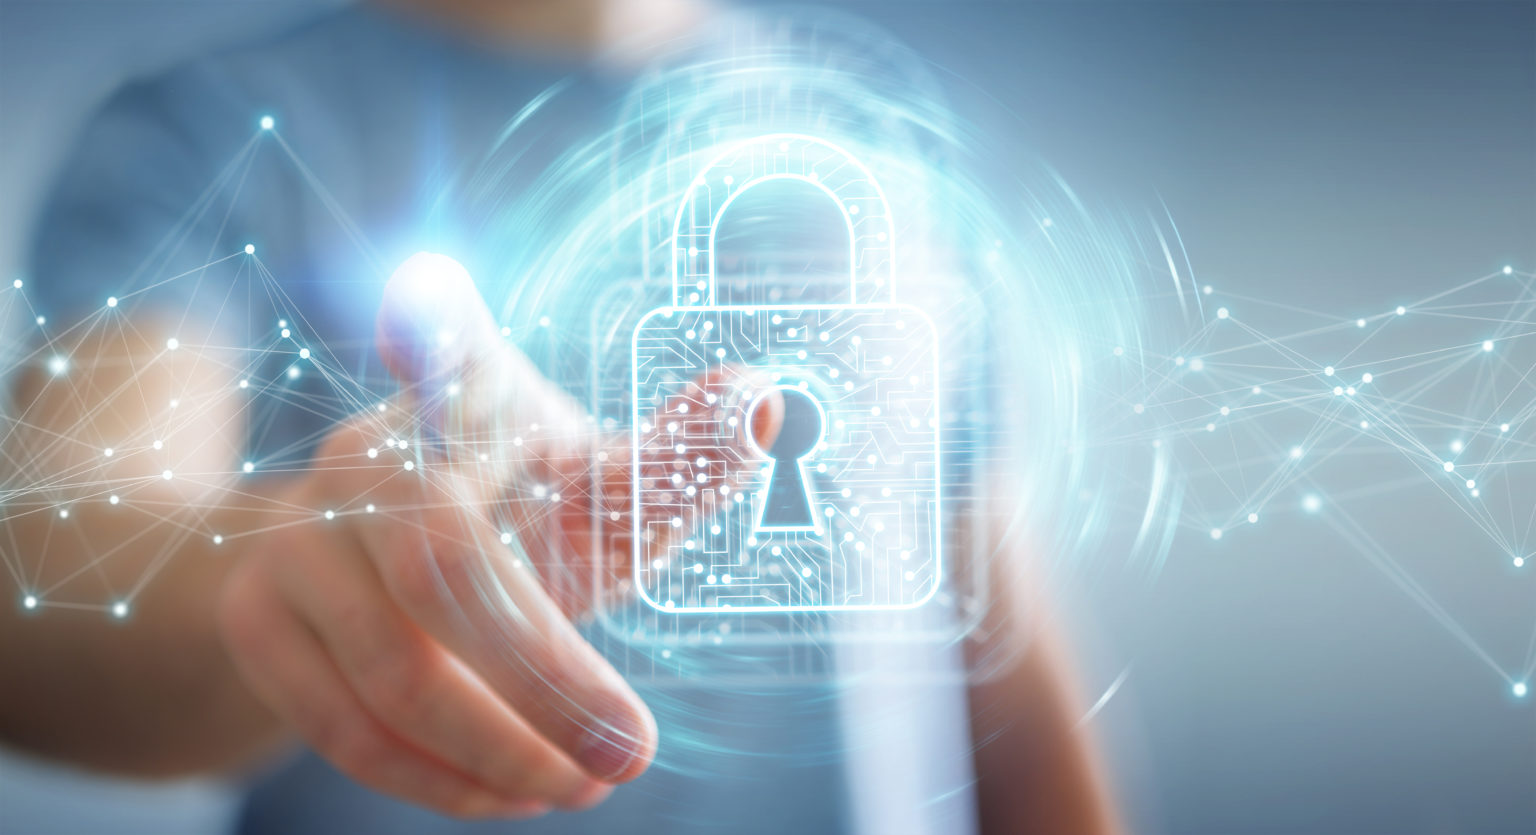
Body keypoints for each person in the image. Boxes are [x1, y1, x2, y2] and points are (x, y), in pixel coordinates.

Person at [0, 1, 1120, 832]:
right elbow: (52, 568)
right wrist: (292, 568)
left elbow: (997, 651)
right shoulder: (218, 131)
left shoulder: (880, 132)